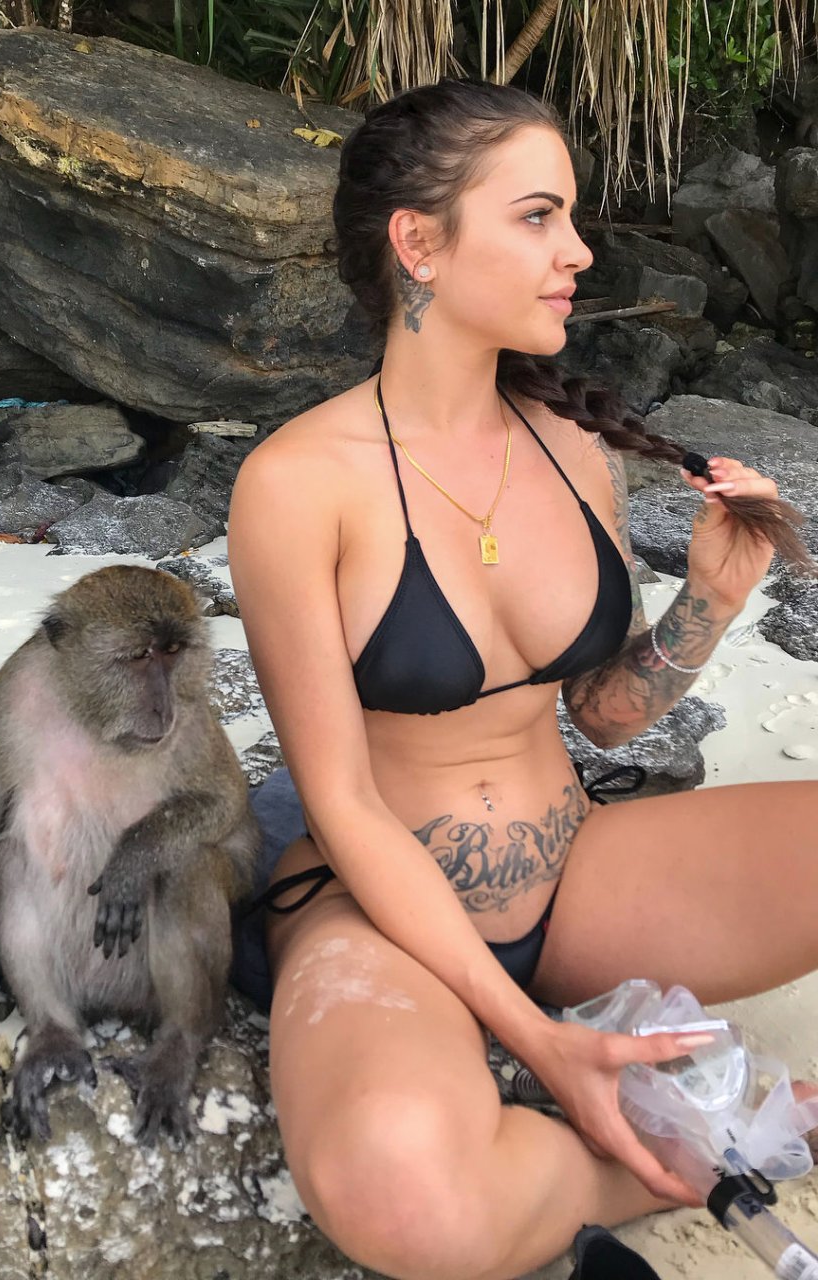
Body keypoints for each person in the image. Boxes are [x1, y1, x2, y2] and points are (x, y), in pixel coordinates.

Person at [227, 78, 818, 1280]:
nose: (579, 252)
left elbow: (603, 715)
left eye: (570, 218)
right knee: (405, 1198)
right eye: (539, 216)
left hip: (578, 876)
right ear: (419, 243)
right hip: (381, 918)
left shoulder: (573, 447)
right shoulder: (296, 484)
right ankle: (651, 1159)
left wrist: (713, 598)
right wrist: (538, 1043)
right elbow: (339, 801)